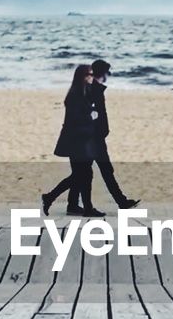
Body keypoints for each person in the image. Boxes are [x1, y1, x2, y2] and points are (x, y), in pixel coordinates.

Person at [41, 64, 105, 216]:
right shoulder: (75, 95)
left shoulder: (84, 91)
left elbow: (95, 99)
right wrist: (91, 119)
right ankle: (83, 207)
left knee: (79, 174)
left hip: (81, 139)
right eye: (88, 74)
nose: (91, 77)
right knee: (83, 174)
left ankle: (71, 205)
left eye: (92, 74)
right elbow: (76, 120)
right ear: (81, 77)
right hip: (76, 140)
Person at [88, 58, 139, 210]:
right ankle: (121, 202)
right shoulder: (94, 90)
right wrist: (100, 129)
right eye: (107, 72)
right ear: (102, 73)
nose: (108, 75)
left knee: (84, 173)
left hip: (95, 136)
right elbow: (95, 113)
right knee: (104, 170)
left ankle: (70, 202)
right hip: (94, 137)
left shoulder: (93, 88)